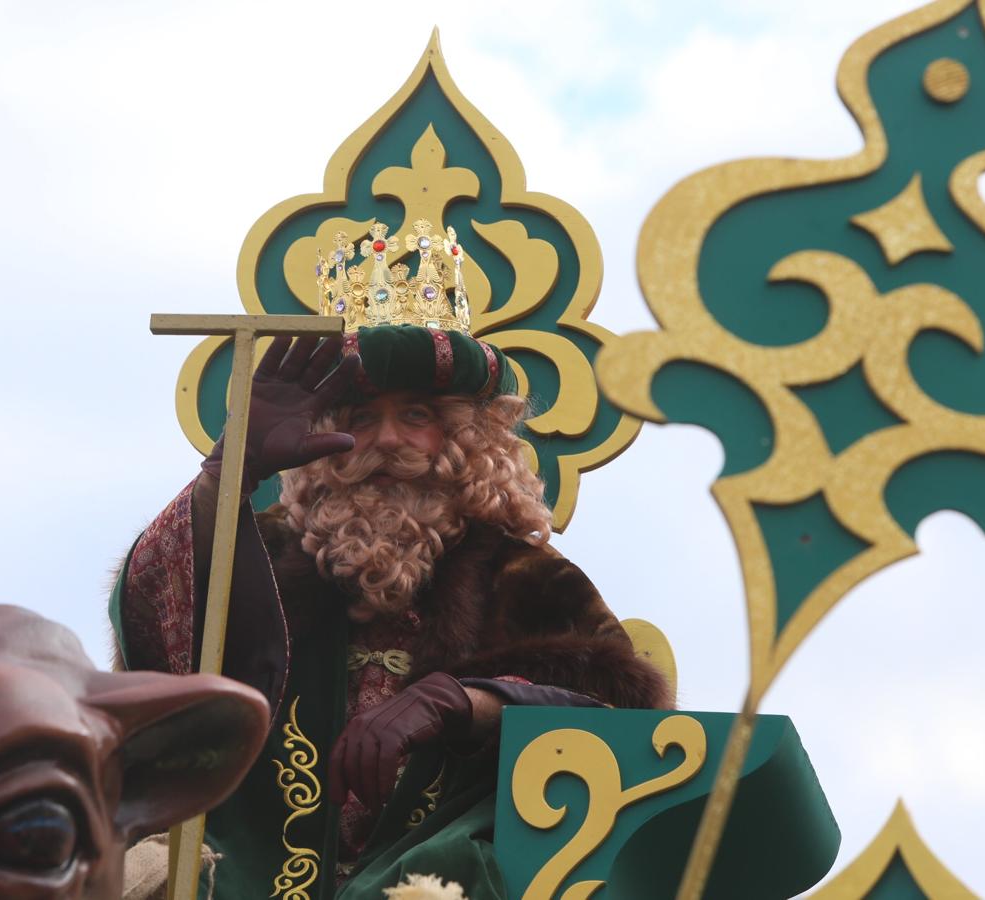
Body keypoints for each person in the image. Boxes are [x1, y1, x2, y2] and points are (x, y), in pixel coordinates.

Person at [110, 325, 670, 899]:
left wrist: (466, 701)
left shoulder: (527, 577)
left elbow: (621, 726)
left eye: (417, 416)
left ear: (463, 438)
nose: (386, 440)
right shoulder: (260, 554)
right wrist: (226, 476)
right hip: (248, 871)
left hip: (445, 871)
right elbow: (155, 635)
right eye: (360, 417)